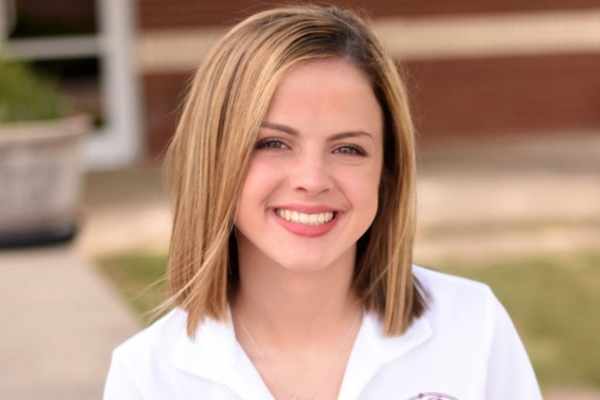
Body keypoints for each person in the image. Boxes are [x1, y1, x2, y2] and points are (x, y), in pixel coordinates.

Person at [103, 5, 542, 400]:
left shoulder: (471, 326)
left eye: (348, 149)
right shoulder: (148, 377)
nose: (312, 181)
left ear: (386, 173)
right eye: (273, 142)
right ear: (216, 159)